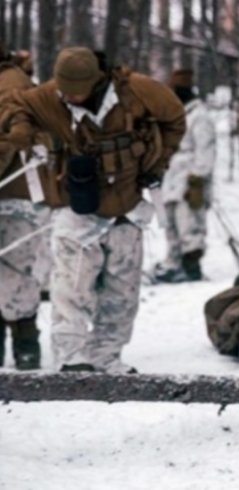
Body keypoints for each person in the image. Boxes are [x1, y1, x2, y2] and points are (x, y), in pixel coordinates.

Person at [1, 47, 186, 372]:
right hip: (76, 207)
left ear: (96, 81)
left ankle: (106, 357)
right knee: (71, 288)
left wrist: (159, 161)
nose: (68, 97)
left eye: (75, 91)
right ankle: (71, 360)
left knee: (123, 290)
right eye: (63, 90)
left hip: (127, 205)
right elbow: (16, 103)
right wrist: (20, 129)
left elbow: (175, 118)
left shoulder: (139, 91)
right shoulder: (49, 96)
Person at [0, 47, 50, 370]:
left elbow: (19, 138)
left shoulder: (11, 87)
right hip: (16, 190)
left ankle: (25, 341)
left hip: (13, 191)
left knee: (16, 269)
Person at [152, 68, 216, 283]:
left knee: (189, 224)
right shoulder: (172, 115)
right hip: (169, 178)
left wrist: (198, 177)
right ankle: (173, 264)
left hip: (189, 181)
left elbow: (205, 150)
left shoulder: (200, 116)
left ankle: (191, 267)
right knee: (170, 224)